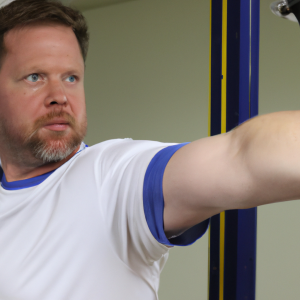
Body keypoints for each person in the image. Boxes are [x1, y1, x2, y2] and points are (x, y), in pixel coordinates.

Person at [0, 0, 299, 299]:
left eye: (70, 77)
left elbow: (242, 157)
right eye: (35, 77)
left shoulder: (110, 180)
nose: (60, 97)